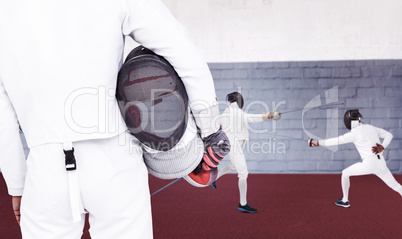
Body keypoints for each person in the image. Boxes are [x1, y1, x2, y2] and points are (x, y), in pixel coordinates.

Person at [0, 0, 221, 238]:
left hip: (44, 169)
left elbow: (3, 118)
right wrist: (210, 129)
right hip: (115, 161)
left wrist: (17, 185)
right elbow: (183, 50)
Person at [309, 109, 402, 208]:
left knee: (345, 173)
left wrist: (317, 143)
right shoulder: (370, 127)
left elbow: (336, 141)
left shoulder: (355, 133)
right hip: (381, 163)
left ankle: (345, 200)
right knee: (396, 186)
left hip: (369, 164)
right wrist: (383, 146)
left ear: (349, 122)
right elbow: (389, 135)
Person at [214, 92, 281, 213]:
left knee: (234, 166)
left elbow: (216, 125)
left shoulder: (225, 113)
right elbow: (252, 118)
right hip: (234, 145)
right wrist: (270, 115)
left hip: (232, 144)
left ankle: (214, 178)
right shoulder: (237, 112)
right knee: (243, 173)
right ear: (239, 101)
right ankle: (243, 203)